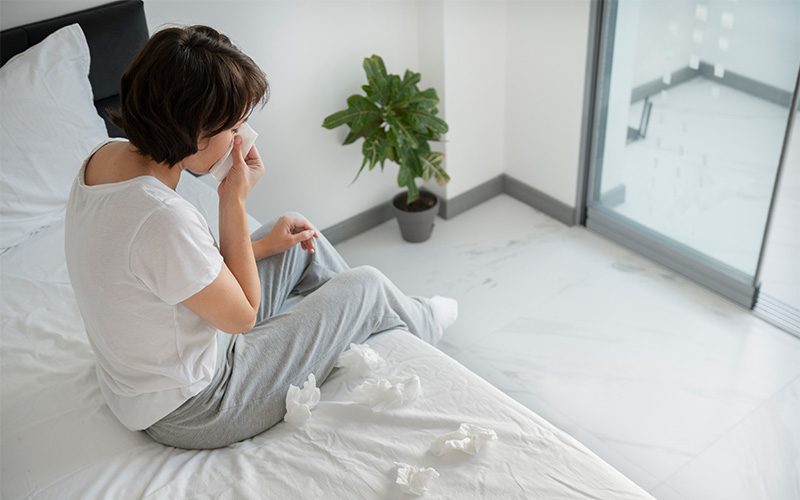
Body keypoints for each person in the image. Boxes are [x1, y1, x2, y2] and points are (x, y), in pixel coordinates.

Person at [64, 25, 458, 450]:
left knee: (292, 229)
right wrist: (232, 199)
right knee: (365, 285)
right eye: (234, 128)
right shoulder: (161, 218)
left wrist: (264, 247)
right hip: (196, 407)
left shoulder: (101, 159)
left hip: (149, 377)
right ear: (194, 135)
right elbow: (243, 318)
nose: (242, 138)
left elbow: (170, 269)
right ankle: (418, 322)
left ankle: (353, 331)